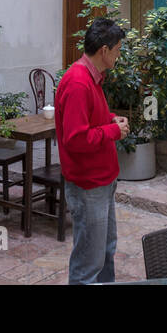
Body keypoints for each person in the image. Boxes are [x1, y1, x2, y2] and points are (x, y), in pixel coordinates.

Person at [54, 17, 129, 284]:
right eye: (118, 49)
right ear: (104, 51)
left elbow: (88, 119)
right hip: (88, 184)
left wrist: (110, 119)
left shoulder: (92, 77)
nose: (119, 55)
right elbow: (76, 139)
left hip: (102, 180)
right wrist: (113, 132)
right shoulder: (78, 81)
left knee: (105, 252)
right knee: (89, 262)